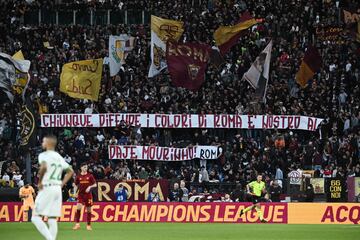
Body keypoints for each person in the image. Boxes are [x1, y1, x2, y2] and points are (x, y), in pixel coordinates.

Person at [32, 135, 74, 240]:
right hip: (57, 189)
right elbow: (70, 171)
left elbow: (44, 167)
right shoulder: (59, 157)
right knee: (52, 218)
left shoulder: (43, 155)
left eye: (43, 141)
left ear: (49, 143)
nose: (42, 143)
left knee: (35, 217)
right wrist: (62, 183)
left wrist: (40, 181)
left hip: (47, 187)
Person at [73, 163, 97, 231]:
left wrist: (90, 186)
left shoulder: (90, 176)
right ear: (81, 168)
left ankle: (88, 225)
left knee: (89, 210)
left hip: (88, 195)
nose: (85, 168)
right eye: (84, 167)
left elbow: (95, 184)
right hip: (80, 195)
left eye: (86, 167)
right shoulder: (78, 176)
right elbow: (75, 185)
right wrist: (75, 193)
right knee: (78, 208)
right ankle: (77, 224)